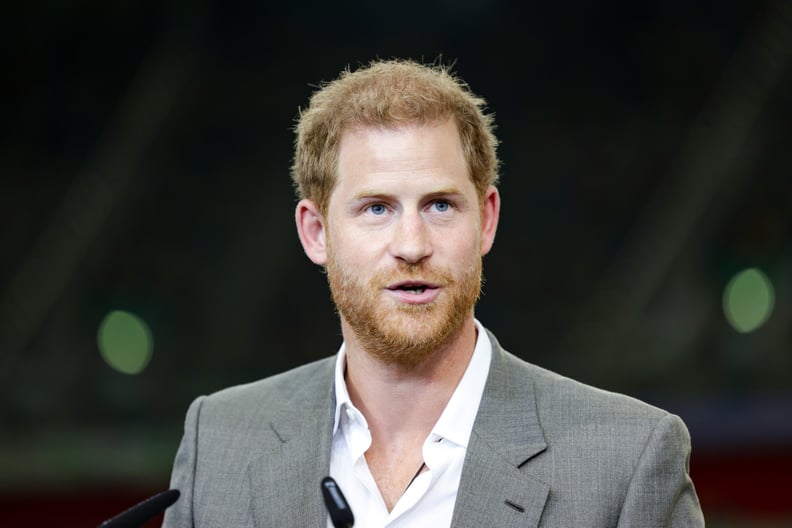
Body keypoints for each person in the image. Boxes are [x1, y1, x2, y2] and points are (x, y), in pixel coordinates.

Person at [163, 59, 704, 527]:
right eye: (376, 208)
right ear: (316, 232)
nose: (412, 245)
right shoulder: (220, 440)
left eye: (440, 205)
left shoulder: (627, 458)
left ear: (486, 220)